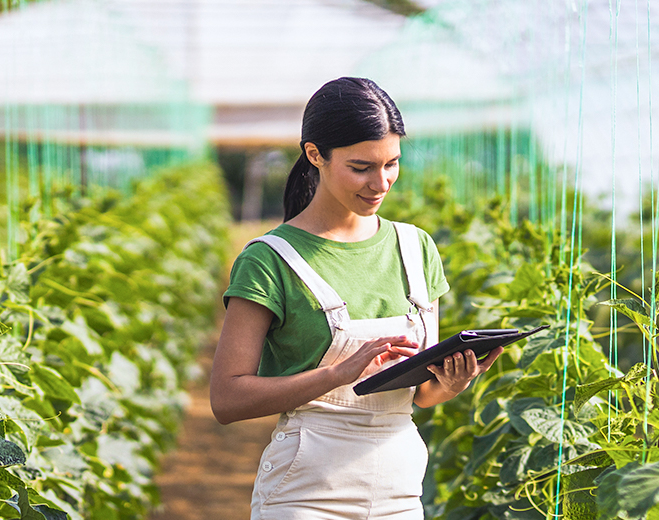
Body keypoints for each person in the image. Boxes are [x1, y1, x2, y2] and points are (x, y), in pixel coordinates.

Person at [212, 77, 498, 519]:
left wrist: (451, 383)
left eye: (392, 164)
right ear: (315, 155)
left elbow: (421, 395)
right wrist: (337, 374)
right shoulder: (270, 259)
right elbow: (227, 400)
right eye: (361, 167)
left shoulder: (416, 248)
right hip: (307, 489)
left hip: (400, 487)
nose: (380, 183)